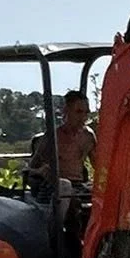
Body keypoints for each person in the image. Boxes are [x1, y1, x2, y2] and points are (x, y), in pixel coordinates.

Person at [28, 89, 95, 219]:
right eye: (79, 112)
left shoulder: (88, 137)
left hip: (79, 186)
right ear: (66, 111)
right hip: (54, 188)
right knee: (67, 191)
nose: (84, 118)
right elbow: (30, 170)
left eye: (86, 113)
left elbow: (100, 166)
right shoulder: (52, 137)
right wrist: (41, 171)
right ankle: (61, 235)